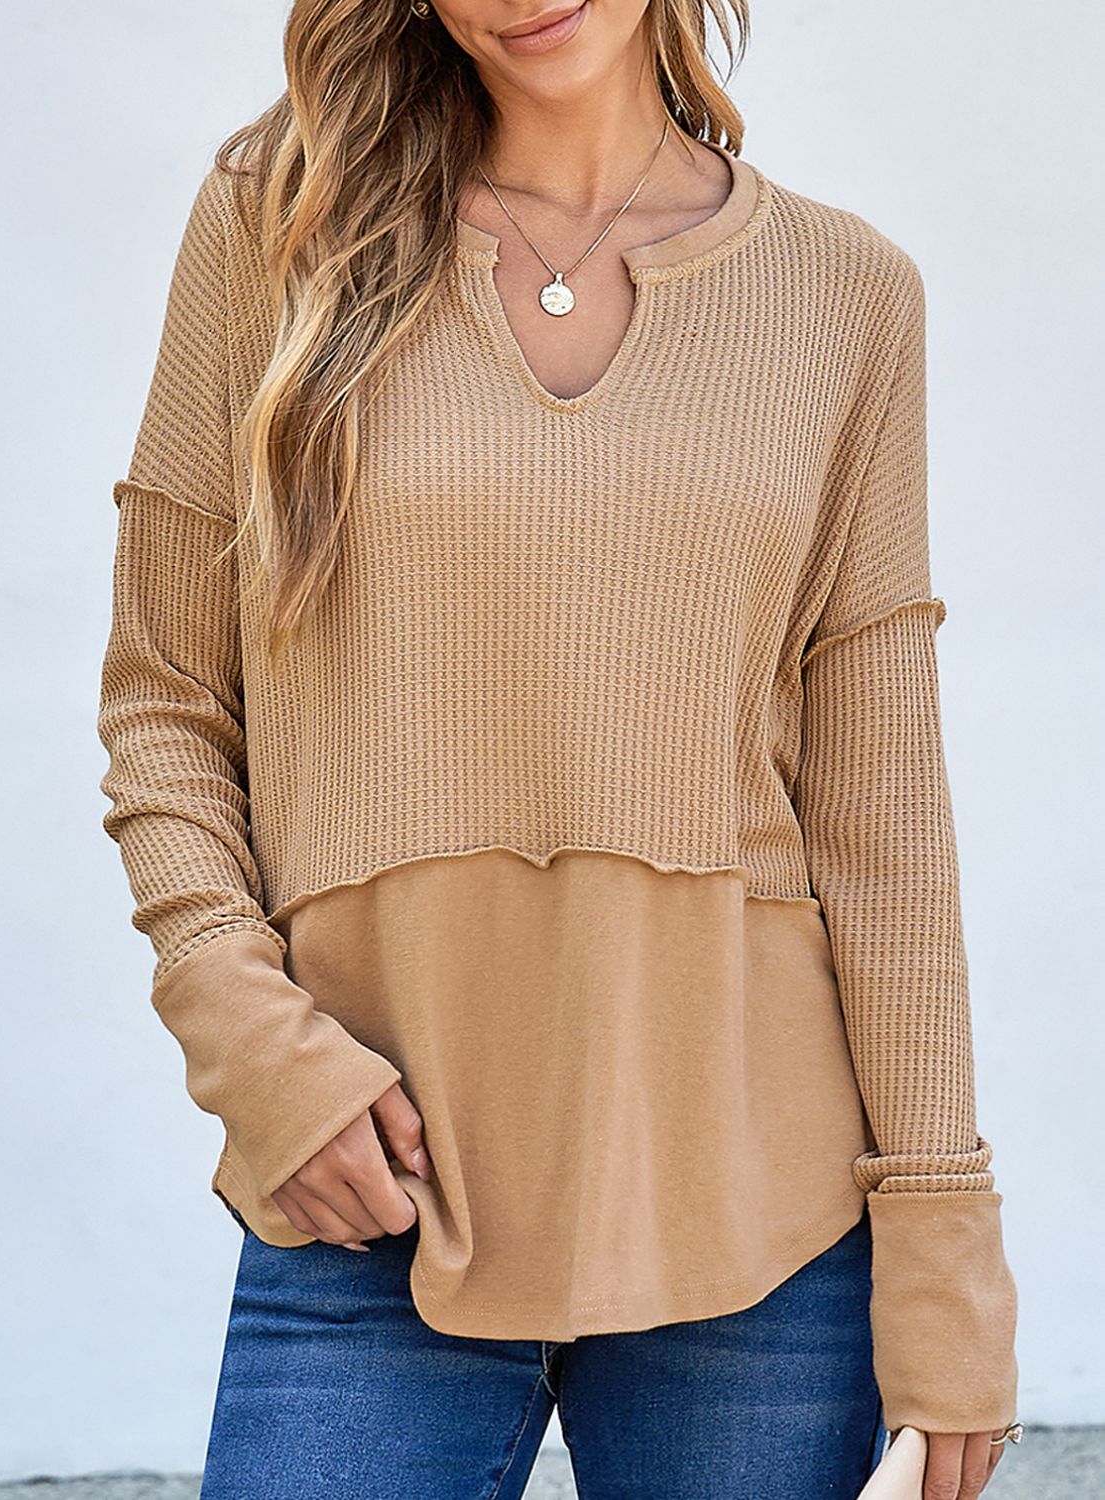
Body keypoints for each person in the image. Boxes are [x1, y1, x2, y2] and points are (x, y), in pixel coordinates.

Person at [95, 0, 1022, 1495]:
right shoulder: (279, 232)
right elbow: (166, 699)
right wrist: (256, 1050)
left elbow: (883, 812)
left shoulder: (847, 295)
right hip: (371, 1195)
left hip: (758, 1226)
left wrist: (943, 1245)